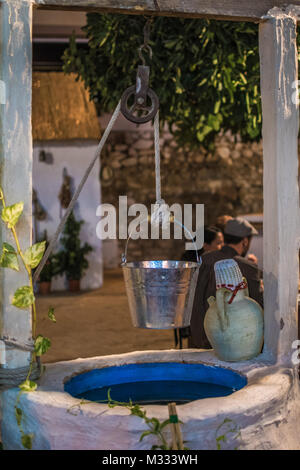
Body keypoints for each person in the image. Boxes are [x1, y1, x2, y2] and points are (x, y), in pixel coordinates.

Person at [188, 217, 264, 349]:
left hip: (199, 336)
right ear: (245, 241)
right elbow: (259, 306)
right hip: (230, 343)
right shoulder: (248, 267)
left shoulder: (204, 259)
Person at [174, 226, 224, 348]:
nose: (222, 247)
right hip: (197, 321)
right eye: (218, 243)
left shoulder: (212, 263)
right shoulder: (191, 267)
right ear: (206, 245)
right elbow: (182, 296)